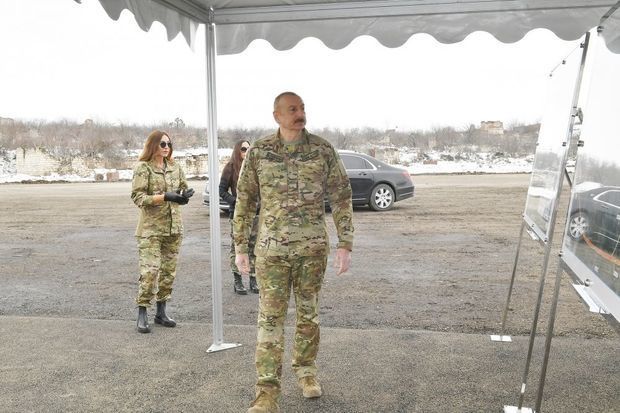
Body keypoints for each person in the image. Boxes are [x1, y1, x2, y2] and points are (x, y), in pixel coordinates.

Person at [233, 92, 354, 413]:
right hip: (271, 251)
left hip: (311, 250)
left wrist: (345, 243)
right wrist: (240, 247)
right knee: (270, 318)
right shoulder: (259, 152)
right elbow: (245, 200)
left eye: (301, 108)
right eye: (292, 109)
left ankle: (306, 371)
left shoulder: (322, 150)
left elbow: (341, 195)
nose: (300, 114)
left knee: (308, 315)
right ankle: (266, 392)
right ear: (277, 115)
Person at [130, 130, 194, 334]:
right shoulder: (143, 168)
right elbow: (138, 198)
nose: (167, 147)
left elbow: (183, 188)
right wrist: (165, 197)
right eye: (162, 144)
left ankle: (161, 312)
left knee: (168, 273)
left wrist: (184, 195)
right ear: (153, 145)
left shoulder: (175, 167)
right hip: (151, 230)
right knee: (150, 272)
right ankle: (142, 311)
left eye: (169, 144)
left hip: (173, 228)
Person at [219, 139, 259, 295]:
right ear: (237, 150)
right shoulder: (230, 167)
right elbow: (221, 190)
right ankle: (238, 281)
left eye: (249, 149)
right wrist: (235, 201)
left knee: (254, 247)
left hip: (255, 214)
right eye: (243, 149)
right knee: (237, 247)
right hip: (238, 215)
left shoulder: (255, 167)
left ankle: (253, 280)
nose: (246, 152)